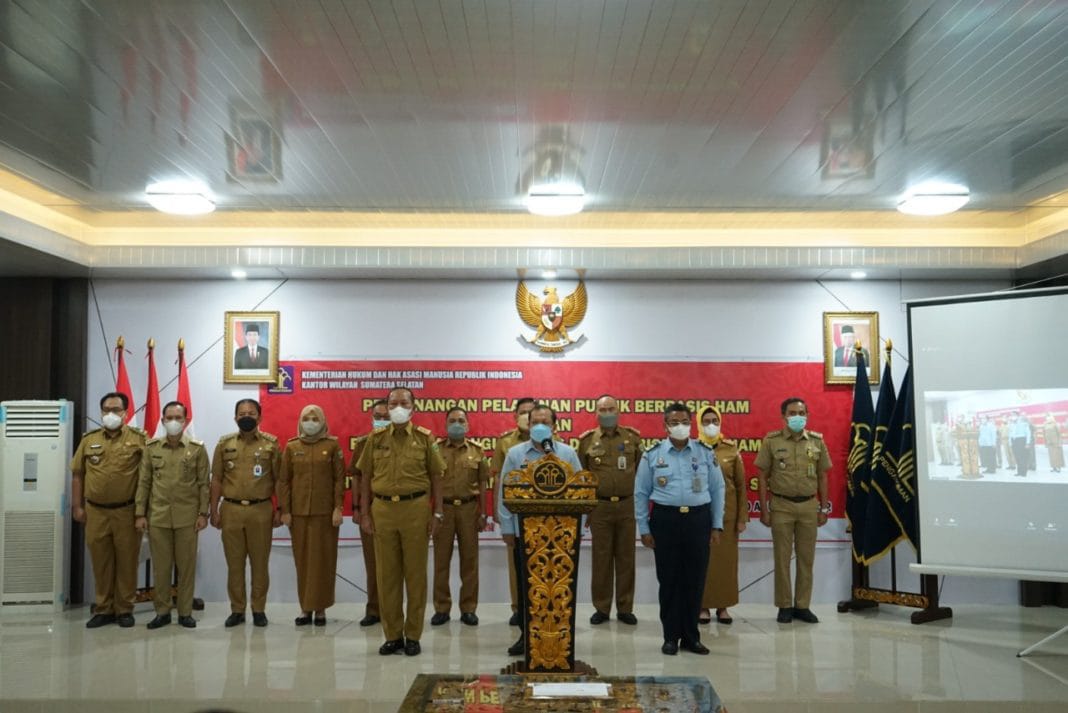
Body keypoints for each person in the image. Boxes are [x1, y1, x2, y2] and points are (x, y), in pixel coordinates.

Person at [356, 387, 445, 657]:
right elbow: (365, 477)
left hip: (416, 509)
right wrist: (365, 513)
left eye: (403, 403)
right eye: (393, 403)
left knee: (415, 576)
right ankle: (392, 635)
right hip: (383, 509)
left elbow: (437, 476)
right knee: (387, 576)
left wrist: (437, 513)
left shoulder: (425, 438)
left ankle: (413, 635)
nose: (398, 408)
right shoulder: (375, 439)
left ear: (413, 407)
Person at [635, 402, 725, 656]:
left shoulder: (704, 452)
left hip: (698, 520)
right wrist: (644, 528)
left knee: (695, 580)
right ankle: (670, 637)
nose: (680, 427)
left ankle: (691, 637)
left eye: (685, 422)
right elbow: (640, 493)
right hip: (665, 520)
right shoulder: (652, 454)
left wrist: (716, 524)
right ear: (665, 426)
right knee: (669, 581)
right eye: (674, 423)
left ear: (691, 424)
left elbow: (718, 489)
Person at [498, 403, 584, 656]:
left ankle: (559, 635)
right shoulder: (515, 454)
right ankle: (527, 636)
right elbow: (505, 491)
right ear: (527, 425)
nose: (539, 426)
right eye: (535, 422)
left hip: (562, 535)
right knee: (527, 587)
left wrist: (578, 528)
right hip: (526, 532)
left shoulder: (568, 453)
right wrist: (507, 527)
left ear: (554, 426)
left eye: (544, 422)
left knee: (559, 587)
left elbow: (581, 490)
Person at [70, 392, 147, 628]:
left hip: (127, 511)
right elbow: (77, 475)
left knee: (127, 561)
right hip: (95, 512)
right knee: (100, 561)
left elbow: (147, 478)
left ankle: (124, 609)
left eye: (116, 410)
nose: (110, 414)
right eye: (106, 410)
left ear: (125, 412)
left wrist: (142, 512)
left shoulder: (139, 439)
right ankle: (103, 609)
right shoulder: (89, 440)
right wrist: (77, 506)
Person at [756, 397, 832, 624]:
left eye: (801, 412)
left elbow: (823, 476)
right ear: (784, 416)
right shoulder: (772, 441)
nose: (797, 416)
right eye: (792, 413)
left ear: (807, 415)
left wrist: (823, 508)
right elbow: (762, 476)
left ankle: (802, 605)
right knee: (782, 559)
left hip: (809, 506)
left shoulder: (817, 441)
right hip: (781, 506)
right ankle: (784, 606)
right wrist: (764, 510)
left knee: (806, 559)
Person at [135, 401, 209, 629]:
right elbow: (144, 482)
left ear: (185, 421)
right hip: (158, 517)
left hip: (188, 518)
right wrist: (140, 513)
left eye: (178, 418)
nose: (174, 422)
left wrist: (203, 513)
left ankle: (185, 612)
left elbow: (204, 484)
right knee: (161, 568)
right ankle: (162, 612)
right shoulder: (152, 448)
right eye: (169, 418)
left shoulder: (197, 449)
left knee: (186, 568)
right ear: (162, 420)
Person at [209, 399, 281, 627]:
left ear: (260, 417)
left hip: (261, 510)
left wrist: (280, 509)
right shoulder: (224, 444)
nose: (246, 417)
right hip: (231, 510)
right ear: (235, 418)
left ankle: (259, 609)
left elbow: (279, 480)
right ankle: (237, 610)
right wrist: (213, 509)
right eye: (242, 414)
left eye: (251, 413)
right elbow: (216, 479)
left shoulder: (271, 444)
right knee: (235, 565)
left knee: (260, 564)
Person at [577, 394, 642, 626]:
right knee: (601, 559)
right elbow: (582, 476)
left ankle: (625, 608)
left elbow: (641, 471)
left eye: (611, 409)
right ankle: (602, 608)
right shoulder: (587, 441)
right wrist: (587, 508)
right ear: (596, 413)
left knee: (626, 558)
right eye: (602, 410)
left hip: (627, 505)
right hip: (600, 507)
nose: (607, 414)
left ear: (618, 411)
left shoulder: (632, 438)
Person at [278, 405, 345, 626]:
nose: (310, 422)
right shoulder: (292, 446)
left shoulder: (332, 446)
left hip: (325, 514)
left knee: (324, 561)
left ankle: (321, 609)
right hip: (298, 514)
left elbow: (339, 479)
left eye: (315, 419)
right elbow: (283, 481)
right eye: (306, 418)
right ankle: (305, 609)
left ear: (323, 421)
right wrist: (285, 510)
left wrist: (338, 508)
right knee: (303, 561)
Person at [431, 407, 489, 627]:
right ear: (446, 425)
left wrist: (483, 512)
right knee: (441, 561)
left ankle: (468, 608)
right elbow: (430, 482)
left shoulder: (477, 451)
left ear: (468, 425)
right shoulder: (435, 449)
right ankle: (441, 608)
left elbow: (483, 484)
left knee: (470, 562)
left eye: (461, 421)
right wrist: (433, 512)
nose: (457, 424)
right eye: (452, 420)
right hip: (443, 510)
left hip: (468, 509)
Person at [697, 405, 747, 625]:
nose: (711, 425)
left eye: (715, 421)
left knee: (726, 564)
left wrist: (742, 518)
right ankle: (703, 606)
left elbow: (741, 486)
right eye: (706, 421)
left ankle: (723, 607)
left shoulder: (731, 450)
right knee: (702, 563)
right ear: (699, 424)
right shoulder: (693, 449)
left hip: (727, 518)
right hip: (700, 516)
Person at [491, 397, 537, 626]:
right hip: (516, 512)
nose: (526, 416)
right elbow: (499, 479)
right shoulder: (505, 442)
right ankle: (519, 608)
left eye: (531, 412)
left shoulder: (554, 441)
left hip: (544, 513)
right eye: (522, 412)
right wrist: (497, 510)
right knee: (516, 563)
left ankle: (539, 606)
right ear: (515, 415)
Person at [347, 398, 390, 627]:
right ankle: (374, 609)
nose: (382, 420)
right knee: (373, 563)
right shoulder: (364, 443)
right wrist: (357, 508)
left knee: (396, 565)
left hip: (396, 509)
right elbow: (356, 477)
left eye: (386, 417)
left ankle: (393, 610)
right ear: (371, 418)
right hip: (370, 509)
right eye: (378, 417)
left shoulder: (405, 442)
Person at [1009, 411, 1031, 478]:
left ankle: (1024, 472)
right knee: (1017, 457)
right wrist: (1010, 443)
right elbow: (1010, 434)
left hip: (1021, 440)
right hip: (1014, 441)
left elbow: (1028, 433)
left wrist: (1027, 443)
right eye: (1011, 415)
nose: (1012, 416)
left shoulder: (1023, 423)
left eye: (1014, 415)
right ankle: (1019, 472)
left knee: (1023, 457)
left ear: (1017, 416)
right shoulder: (1011, 424)